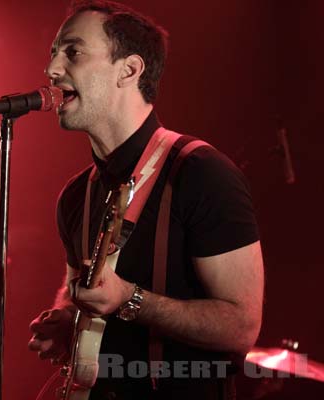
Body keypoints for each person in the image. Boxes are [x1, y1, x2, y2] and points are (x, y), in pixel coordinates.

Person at [28, 1, 264, 399]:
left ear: (130, 70)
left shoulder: (201, 172)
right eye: (53, 53)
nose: (51, 69)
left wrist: (130, 299)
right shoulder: (75, 196)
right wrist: (67, 317)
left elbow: (242, 327)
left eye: (72, 51)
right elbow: (77, 290)